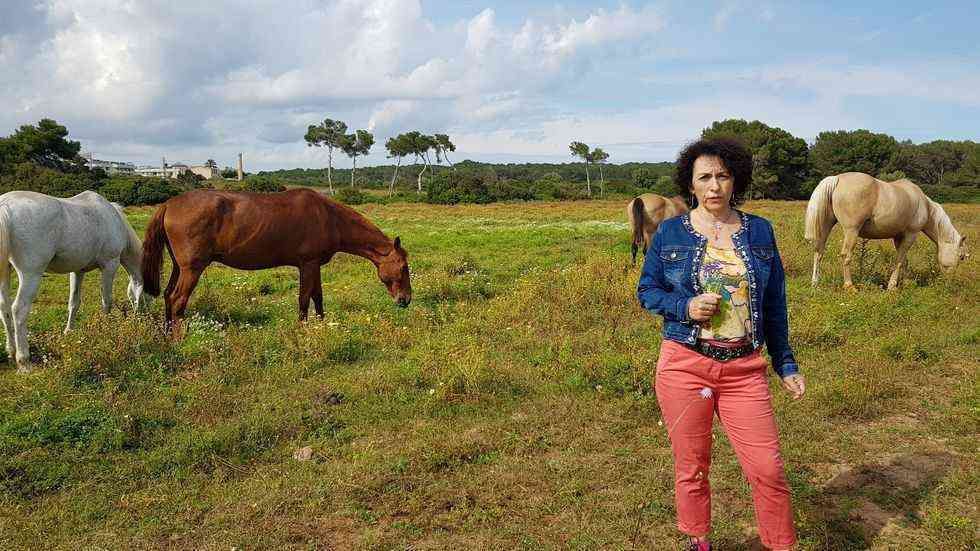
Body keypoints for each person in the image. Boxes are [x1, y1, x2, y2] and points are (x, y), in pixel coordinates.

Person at [637, 137, 806, 551]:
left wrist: (785, 362)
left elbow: (774, 303)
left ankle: (780, 545)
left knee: (768, 468)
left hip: (744, 369)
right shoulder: (670, 232)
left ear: (736, 180)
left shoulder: (760, 231)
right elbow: (648, 291)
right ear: (690, 184)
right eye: (704, 177)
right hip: (685, 364)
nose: (714, 186)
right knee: (692, 466)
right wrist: (685, 306)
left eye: (723, 176)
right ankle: (699, 541)